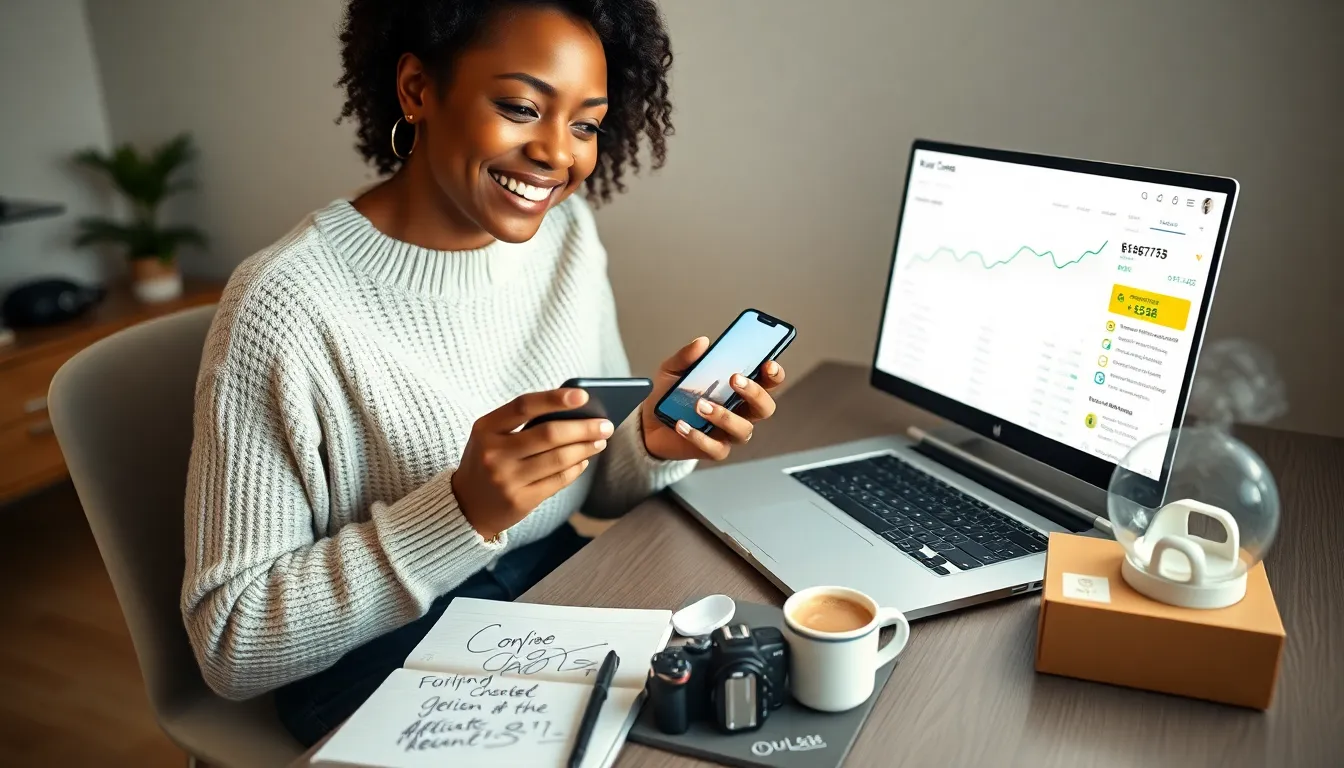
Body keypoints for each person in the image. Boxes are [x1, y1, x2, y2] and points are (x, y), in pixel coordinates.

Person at [179, 0, 787, 746]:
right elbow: (230, 644)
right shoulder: (284, 305)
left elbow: (593, 483)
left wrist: (654, 441)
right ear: (416, 90)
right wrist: (459, 512)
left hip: (554, 584)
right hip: (374, 657)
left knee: (746, 706)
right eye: (521, 106)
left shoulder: (565, 235)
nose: (558, 154)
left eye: (585, 123)